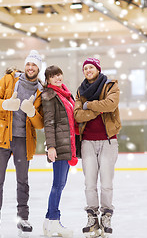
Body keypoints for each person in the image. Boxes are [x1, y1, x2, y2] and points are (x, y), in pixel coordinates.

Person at [0, 50, 44, 235]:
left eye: (34, 65)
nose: (30, 67)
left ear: (38, 68)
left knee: (22, 181)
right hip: (2, 137)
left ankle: (23, 219)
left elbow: (40, 124)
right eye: (28, 64)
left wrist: (32, 113)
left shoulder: (41, 90)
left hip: (23, 140)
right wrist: (5, 104)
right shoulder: (9, 80)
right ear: (25, 66)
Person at [73, 57, 121, 237]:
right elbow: (78, 115)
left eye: (91, 67)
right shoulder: (80, 90)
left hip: (108, 141)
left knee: (106, 183)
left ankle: (107, 216)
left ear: (98, 69)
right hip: (87, 142)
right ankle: (92, 218)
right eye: (85, 68)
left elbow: (111, 104)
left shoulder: (110, 86)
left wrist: (89, 106)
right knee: (89, 184)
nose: (88, 70)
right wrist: (98, 109)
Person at [41, 65, 78, 238]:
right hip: (60, 146)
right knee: (58, 185)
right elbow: (49, 123)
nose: (57, 78)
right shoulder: (49, 96)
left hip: (68, 144)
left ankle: (49, 221)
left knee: (60, 185)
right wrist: (51, 146)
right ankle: (54, 220)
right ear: (48, 80)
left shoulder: (65, 94)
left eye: (59, 74)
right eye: (53, 76)